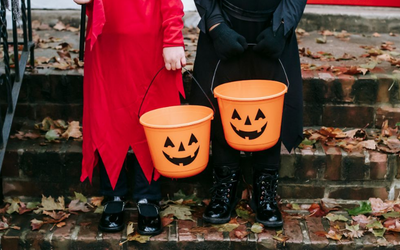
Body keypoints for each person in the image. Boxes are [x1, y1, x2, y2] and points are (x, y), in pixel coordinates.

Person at [73, 0, 186, 234]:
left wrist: (173, 38)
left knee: (152, 114)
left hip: (150, 41)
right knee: (107, 115)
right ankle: (113, 193)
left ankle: (148, 196)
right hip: (107, 43)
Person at [191, 0, 307, 227]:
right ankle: (225, 187)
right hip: (224, 21)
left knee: (270, 106)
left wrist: (282, 27)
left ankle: (265, 191)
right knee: (218, 104)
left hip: (272, 27)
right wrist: (216, 25)